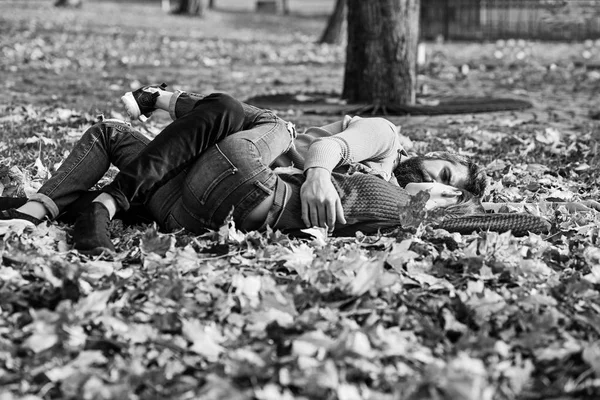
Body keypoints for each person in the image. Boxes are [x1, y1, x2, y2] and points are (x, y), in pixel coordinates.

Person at [0, 84, 488, 254]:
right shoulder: (386, 140)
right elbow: (331, 149)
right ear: (431, 156)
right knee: (111, 133)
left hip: (228, 180)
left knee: (252, 116)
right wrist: (317, 170)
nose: (429, 181)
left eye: (444, 187)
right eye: (442, 171)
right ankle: (41, 209)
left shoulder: (392, 201)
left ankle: (164, 102)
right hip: (206, 189)